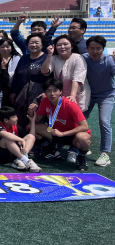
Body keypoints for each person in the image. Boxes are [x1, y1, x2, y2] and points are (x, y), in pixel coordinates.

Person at [31, 77, 91, 172]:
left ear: (60, 92)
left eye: (55, 90)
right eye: (49, 91)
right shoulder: (45, 101)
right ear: (45, 93)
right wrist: (31, 112)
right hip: (56, 132)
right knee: (31, 127)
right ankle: (51, 150)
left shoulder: (70, 104)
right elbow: (36, 121)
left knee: (83, 137)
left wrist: (63, 134)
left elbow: (85, 126)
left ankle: (82, 158)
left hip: (73, 135)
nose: (52, 94)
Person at [83, 36, 115, 167]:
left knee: (103, 121)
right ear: (87, 48)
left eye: (98, 48)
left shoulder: (109, 61)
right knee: (80, 119)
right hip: (88, 95)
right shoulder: (83, 58)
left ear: (103, 49)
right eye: (92, 48)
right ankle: (81, 146)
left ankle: (105, 153)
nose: (95, 51)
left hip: (106, 95)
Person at [41, 34, 90, 113]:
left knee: (77, 120)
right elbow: (44, 71)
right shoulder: (54, 58)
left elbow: (77, 78)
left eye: (65, 44)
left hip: (76, 93)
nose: (62, 47)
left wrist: (72, 96)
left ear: (72, 46)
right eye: (59, 45)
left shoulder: (78, 58)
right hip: (60, 94)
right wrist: (49, 54)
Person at [10, 32, 48, 128]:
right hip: (21, 95)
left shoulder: (47, 58)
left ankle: (37, 141)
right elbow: (16, 76)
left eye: (37, 42)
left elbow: (50, 78)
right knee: (20, 120)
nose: (34, 45)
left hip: (38, 96)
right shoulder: (23, 58)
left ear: (42, 44)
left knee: (37, 120)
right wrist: (13, 91)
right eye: (31, 43)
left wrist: (46, 93)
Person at [0, 106, 41, 171]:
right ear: (6, 120)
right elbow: (5, 134)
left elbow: (31, 136)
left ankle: (20, 159)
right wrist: (21, 139)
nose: (17, 118)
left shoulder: (15, 126)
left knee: (31, 136)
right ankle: (27, 161)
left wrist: (32, 121)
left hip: (14, 154)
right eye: (13, 117)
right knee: (7, 138)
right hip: (0, 156)